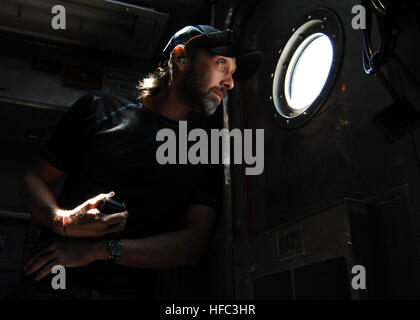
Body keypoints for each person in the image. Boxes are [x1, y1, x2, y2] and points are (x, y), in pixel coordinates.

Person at [16, 25, 262, 299]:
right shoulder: (97, 109)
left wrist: (98, 251)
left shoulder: (203, 149)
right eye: (221, 64)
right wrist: (61, 220)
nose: (229, 82)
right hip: (49, 285)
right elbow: (34, 179)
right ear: (180, 58)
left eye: (233, 72)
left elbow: (192, 246)